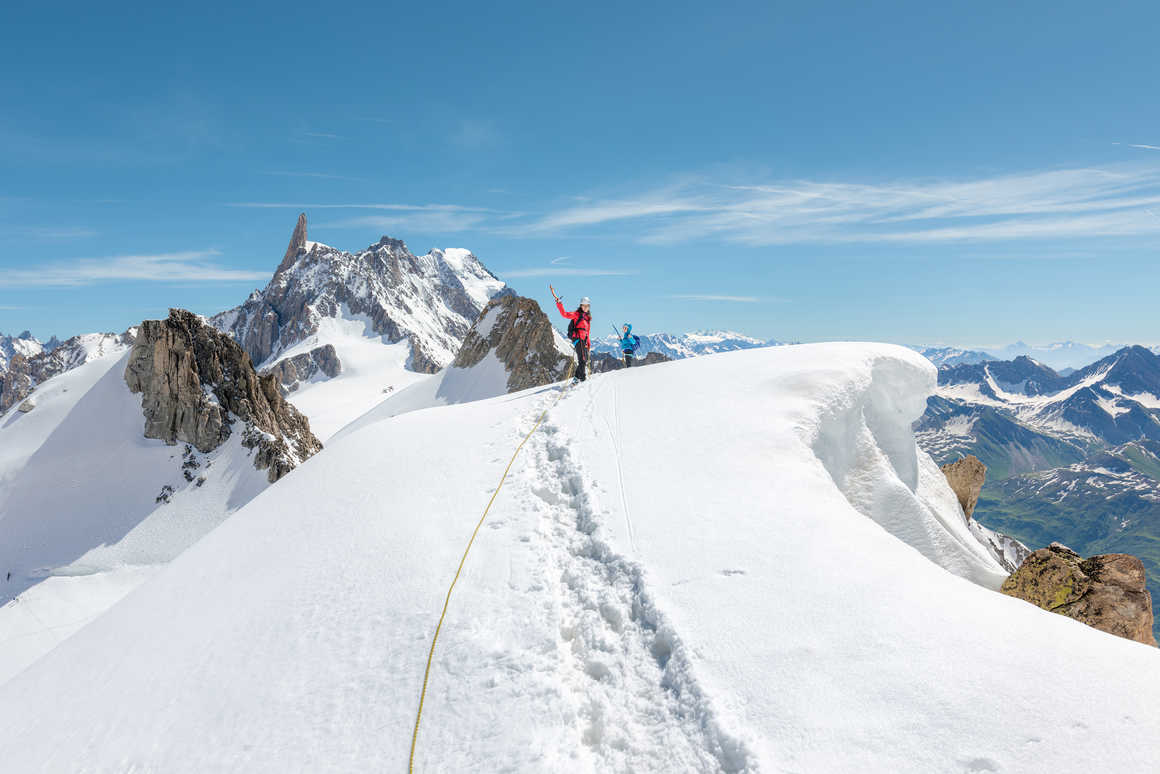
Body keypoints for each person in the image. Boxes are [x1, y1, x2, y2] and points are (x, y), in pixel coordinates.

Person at [550, 284, 591, 382]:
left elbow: (587, 332)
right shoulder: (576, 314)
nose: (586, 307)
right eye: (584, 305)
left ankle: (579, 378)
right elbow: (564, 314)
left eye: (587, 306)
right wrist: (559, 303)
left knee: (584, 360)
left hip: (584, 341)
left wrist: (588, 343)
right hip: (578, 339)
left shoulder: (587, 318)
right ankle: (580, 379)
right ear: (581, 306)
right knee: (582, 360)